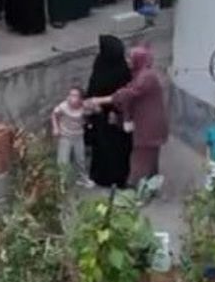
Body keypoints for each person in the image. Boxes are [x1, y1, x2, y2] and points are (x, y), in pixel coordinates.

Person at [87, 45, 168, 187]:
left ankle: (137, 189)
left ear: (139, 60)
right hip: (150, 125)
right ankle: (150, 186)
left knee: (141, 161)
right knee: (150, 160)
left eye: (131, 58)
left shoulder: (146, 77)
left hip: (147, 128)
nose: (127, 61)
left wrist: (98, 100)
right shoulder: (140, 74)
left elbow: (127, 94)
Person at [85, 35, 133, 188]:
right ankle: (103, 177)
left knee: (116, 148)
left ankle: (116, 178)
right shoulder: (102, 62)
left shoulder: (121, 70)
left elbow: (124, 94)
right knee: (102, 147)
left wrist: (113, 109)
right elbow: (94, 84)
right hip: (100, 114)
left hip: (114, 115)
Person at [52, 87, 92, 187]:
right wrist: (56, 128)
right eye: (70, 95)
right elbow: (54, 115)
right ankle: (62, 182)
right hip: (65, 136)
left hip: (78, 136)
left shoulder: (84, 107)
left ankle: (82, 179)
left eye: (74, 95)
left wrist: (89, 110)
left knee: (80, 159)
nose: (71, 98)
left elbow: (92, 114)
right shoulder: (63, 106)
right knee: (63, 160)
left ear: (80, 99)